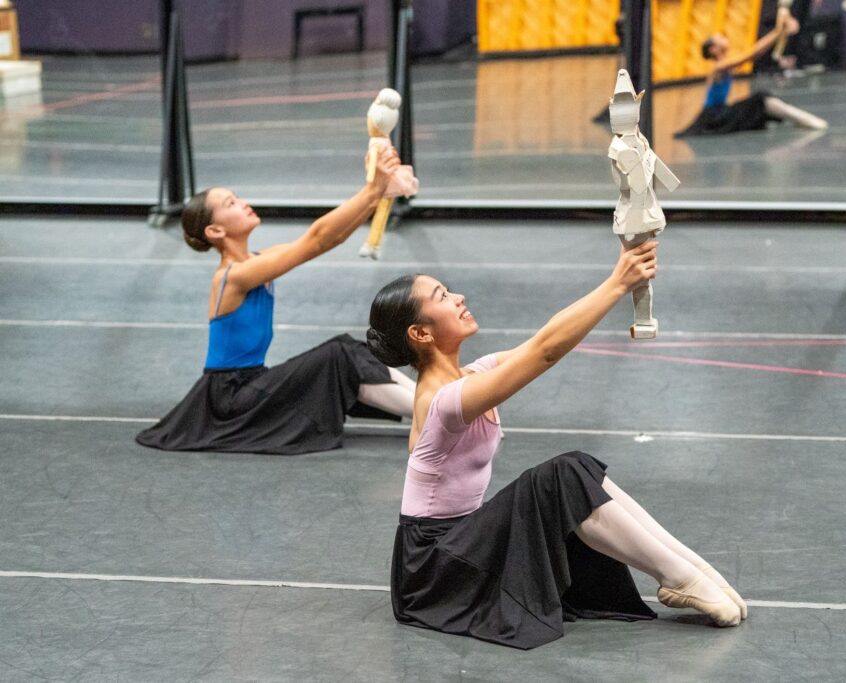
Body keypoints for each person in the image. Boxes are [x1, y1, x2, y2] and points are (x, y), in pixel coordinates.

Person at [366, 241, 746, 649]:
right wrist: (618, 283)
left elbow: (544, 340)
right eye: (442, 296)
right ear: (420, 333)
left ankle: (689, 567)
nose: (458, 297)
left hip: (461, 545)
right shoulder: (442, 402)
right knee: (561, 475)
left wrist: (622, 270)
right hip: (432, 570)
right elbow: (546, 352)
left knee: (578, 467)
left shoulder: (473, 375)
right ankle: (678, 577)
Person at [136, 147, 415, 455]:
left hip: (252, 383)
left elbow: (330, 239)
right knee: (339, 355)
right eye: (231, 203)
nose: (243, 203)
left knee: (352, 349)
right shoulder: (234, 276)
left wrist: (377, 195)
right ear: (215, 230)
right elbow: (316, 239)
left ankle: (435, 402)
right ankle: (438, 413)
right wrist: (372, 188)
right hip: (230, 398)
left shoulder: (258, 261)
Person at [675, 13, 828, 137]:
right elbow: (750, 55)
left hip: (721, 110)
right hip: (715, 115)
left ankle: (800, 119)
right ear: (713, 50)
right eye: (719, 39)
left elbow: (756, 53)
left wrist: (780, 33)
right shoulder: (719, 66)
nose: (724, 38)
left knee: (762, 100)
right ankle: (804, 120)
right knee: (760, 99)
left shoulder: (725, 64)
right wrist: (778, 32)